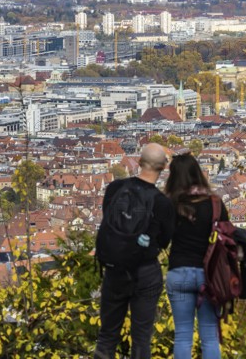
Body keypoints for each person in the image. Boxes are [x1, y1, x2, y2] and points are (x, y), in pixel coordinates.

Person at [95, 143, 175, 359]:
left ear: (139, 163)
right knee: (141, 340)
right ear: (162, 168)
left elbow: (109, 222)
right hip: (146, 272)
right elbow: (164, 240)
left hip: (115, 269)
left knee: (107, 336)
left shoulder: (115, 189)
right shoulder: (162, 203)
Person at [164, 150, 228, 359]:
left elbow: (161, 240)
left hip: (179, 272)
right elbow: (227, 237)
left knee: (183, 335)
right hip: (208, 275)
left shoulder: (169, 204)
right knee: (209, 336)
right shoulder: (215, 204)